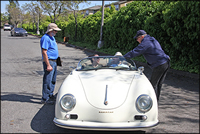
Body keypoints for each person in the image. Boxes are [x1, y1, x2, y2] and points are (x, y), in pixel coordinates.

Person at [123, 30, 170, 101]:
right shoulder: (151, 39)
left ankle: (152, 102)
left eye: (137, 38)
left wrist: (122, 58)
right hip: (166, 62)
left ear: (142, 36)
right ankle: (156, 101)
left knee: (153, 85)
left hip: (159, 64)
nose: (137, 40)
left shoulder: (145, 43)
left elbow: (134, 52)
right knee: (159, 84)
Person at [40, 23, 61, 104]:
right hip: (49, 61)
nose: (56, 32)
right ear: (51, 30)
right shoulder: (45, 38)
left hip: (54, 61)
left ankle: (50, 94)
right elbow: (44, 52)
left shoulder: (52, 38)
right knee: (47, 80)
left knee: (53, 79)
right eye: (55, 30)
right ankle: (45, 98)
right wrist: (48, 65)